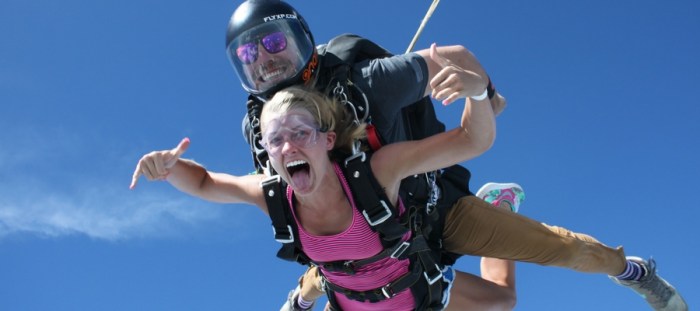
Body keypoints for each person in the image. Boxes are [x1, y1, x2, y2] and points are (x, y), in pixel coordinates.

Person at [131, 84, 686, 311]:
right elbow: (203, 183)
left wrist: (475, 92)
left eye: (300, 132)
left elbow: (470, 141)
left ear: (327, 140)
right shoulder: (275, 188)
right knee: (504, 303)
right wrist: (173, 169)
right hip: (396, 295)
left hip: (412, 251)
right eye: (275, 141)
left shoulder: (374, 172)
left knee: (564, 251)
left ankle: (630, 269)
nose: (287, 146)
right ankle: (308, 290)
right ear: (268, 154)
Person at [224, 1, 521, 309]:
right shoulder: (259, 132)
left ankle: (494, 210)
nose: (262, 57)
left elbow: (455, 57)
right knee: (503, 300)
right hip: (386, 258)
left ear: (300, 38)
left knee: (512, 290)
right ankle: (495, 208)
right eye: (246, 53)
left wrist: (487, 96)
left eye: (274, 41)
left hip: (379, 229)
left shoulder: (369, 83)